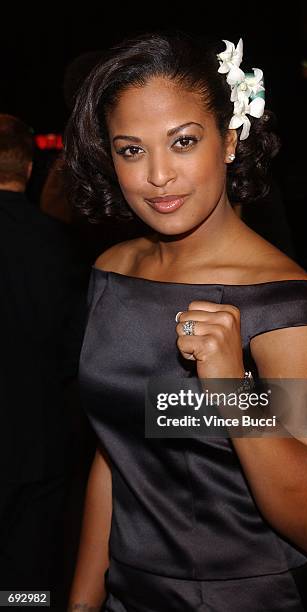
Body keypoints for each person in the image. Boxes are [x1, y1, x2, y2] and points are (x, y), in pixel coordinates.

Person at [63, 32, 307, 612]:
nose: (157, 175)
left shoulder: (295, 308)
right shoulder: (110, 270)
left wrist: (230, 391)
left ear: (228, 139)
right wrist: (81, 601)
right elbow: (116, 450)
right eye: (131, 149)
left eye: (182, 142)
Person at [0, 114, 88, 597]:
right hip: (40, 439)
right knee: (27, 581)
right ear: (29, 167)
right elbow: (76, 349)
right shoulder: (58, 244)